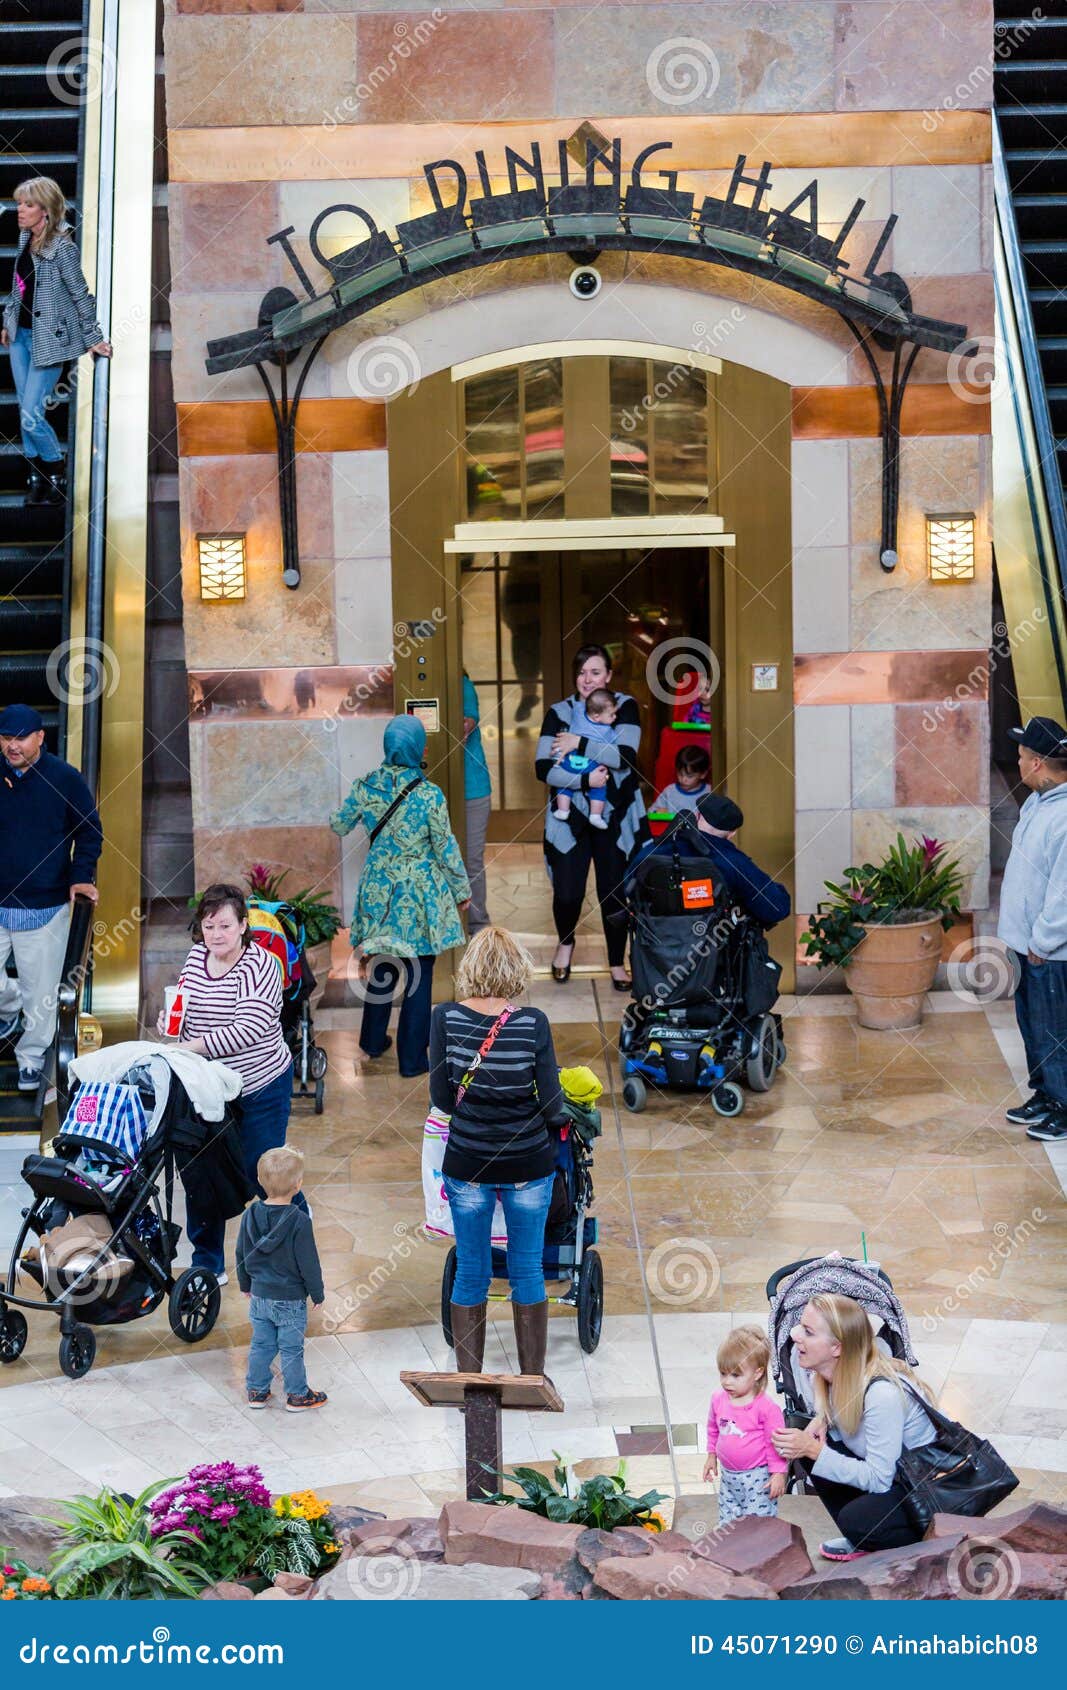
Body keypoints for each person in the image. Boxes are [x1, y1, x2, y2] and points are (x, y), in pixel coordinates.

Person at [429, 925, 568, 1377]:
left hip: (468, 1162)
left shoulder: (444, 1018)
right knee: (528, 1270)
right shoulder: (532, 1023)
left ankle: (471, 1379)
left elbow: (442, 1099)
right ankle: (531, 1380)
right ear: (516, 970)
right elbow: (551, 1104)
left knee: (472, 1271)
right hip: (528, 1163)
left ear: (470, 968)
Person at [163, 883, 299, 1283]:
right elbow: (184, 1008)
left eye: (224, 925)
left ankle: (292, 1250)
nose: (216, 934)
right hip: (210, 1087)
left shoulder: (260, 965)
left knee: (267, 1172)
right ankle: (208, 1262)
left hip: (260, 1085)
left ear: (243, 925)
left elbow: (250, 1028)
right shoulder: (195, 959)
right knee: (202, 1171)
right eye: (209, 926)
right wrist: (169, 1023)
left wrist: (191, 1048)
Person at [330, 714, 470, 1078]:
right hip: (419, 894)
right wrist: (461, 890)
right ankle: (412, 1060)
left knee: (382, 965)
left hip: (380, 891)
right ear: (420, 749)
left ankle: (373, 1042)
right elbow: (445, 847)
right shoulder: (429, 795)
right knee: (419, 974)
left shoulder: (366, 786)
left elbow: (339, 824)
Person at [770, 1294, 936, 1560]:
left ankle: (892, 1541)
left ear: (836, 1347)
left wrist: (815, 1450)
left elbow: (880, 1480)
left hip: (926, 1493)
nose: (796, 1335)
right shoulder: (830, 1378)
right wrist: (821, 1421)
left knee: (856, 1518)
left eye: (808, 1332)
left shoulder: (882, 1394)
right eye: (800, 1326)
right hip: (896, 1479)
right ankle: (866, 1540)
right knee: (814, 1449)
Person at [0, 703, 102, 1091]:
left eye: (21, 738)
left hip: (44, 907)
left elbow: (90, 832)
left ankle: (30, 1060)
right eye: (6, 738)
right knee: (13, 991)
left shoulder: (65, 778)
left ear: (41, 737)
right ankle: (8, 1011)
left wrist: (80, 877)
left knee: (41, 995)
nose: (13, 746)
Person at [536, 644, 648, 989]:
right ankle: (565, 944)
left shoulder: (624, 707)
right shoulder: (558, 712)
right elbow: (543, 768)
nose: (587, 679)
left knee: (614, 892)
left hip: (616, 815)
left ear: (609, 676)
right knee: (567, 893)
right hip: (568, 817)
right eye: (582, 673)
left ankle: (617, 962)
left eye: (595, 672)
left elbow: (626, 757)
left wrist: (577, 744)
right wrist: (585, 779)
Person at [1, 177, 112, 506]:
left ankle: (56, 470)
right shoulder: (24, 238)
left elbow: (80, 294)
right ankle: (37, 478)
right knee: (26, 409)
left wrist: (93, 338)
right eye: (19, 203)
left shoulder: (63, 248)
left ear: (46, 211)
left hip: (50, 339)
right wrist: (8, 319)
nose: (20, 209)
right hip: (19, 337)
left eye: (28, 204)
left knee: (31, 415)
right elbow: (19, 285)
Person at [997, 715, 1067, 1142]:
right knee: (1034, 1026)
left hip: (1050, 950)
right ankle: (1045, 1094)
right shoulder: (1038, 803)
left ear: (1038, 763)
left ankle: (1064, 1107)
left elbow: (1064, 892)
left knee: (1056, 1031)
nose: (1018, 763)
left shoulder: (1064, 818)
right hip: (1027, 946)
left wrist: (1042, 940)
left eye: (1022, 756)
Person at [237, 1146, 327, 1413]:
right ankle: (298, 1396)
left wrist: (245, 1284)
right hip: (289, 1299)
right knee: (291, 1349)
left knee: (261, 1345)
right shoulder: (299, 1221)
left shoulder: (249, 1215)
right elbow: (308, 1262)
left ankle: (256, 1391)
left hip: (259, 1296)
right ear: (297, 1185)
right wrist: (317, 1293)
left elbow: (241, 1252)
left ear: (261, 1182)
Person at [629, 791, 791, 928]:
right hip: (714, 956)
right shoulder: (734, 862)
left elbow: (628, 886)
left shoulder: (655, 851)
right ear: (732, 833)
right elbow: (776, 909)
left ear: (697, 815)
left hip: (655, 952)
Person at [703, 1326, 788, 1524]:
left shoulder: (766, 1408)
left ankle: (761, 1551)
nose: (726, 1382)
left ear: (757, 1373)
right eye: (723, 1373)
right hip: (729, 1476)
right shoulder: (718, 1399)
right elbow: (712, 1428)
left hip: (758, 1477)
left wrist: (778, 1473)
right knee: (728, 1520)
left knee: (758, 1522)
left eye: (735, 1375)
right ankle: (732, 1550)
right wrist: (711, 1455)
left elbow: (775, 1443)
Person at [554, 688, 618, 829]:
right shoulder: (608, 731)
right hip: (591, 765)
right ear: (596, 717)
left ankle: (563, 810)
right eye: (612, 714)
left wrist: (591, 701)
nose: (615, 718)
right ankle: (595, 815)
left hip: (571, 760)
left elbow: (580, 703)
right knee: (599, 787)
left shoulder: (578, 713)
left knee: (564, 785)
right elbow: (613, 751)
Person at [462, 670, 492, 932]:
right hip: (434, 791)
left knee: (471, 861)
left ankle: (478, 926)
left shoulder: (463, 686)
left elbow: (466, 723)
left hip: (472, 790)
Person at [653, 744, 711, 816]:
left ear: (703, 774)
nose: (683, 779)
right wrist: (657, 812)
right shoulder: (669, 791)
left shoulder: (709, 792)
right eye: (680, 774)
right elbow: (651, 812)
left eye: (689, 776)